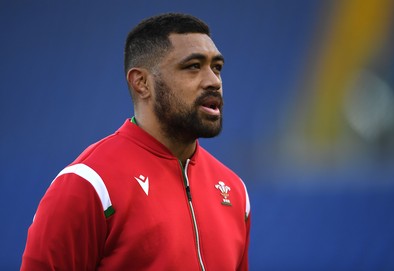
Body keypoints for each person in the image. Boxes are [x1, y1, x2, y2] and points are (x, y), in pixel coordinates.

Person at [21, 13, 251, 271]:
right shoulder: (90, 184)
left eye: (216, 67)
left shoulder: (234, 191)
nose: (213, 81)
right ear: (141, 83)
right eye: (193, 66)